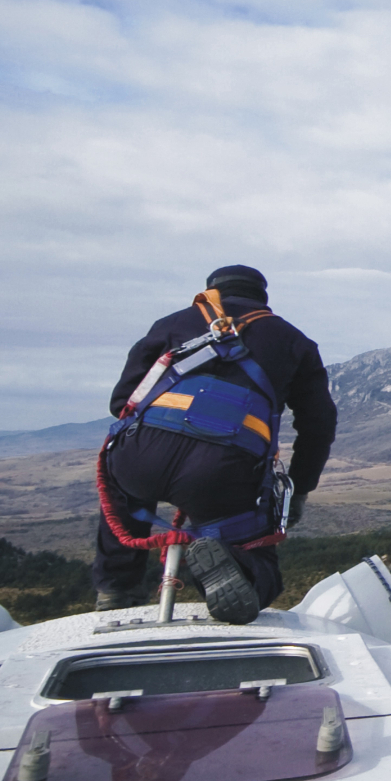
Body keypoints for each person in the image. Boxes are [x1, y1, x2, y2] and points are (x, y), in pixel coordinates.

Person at [93, 265, 337, 623]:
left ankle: (116, 589)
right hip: (221, 473)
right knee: (256, 548)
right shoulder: (293, 341)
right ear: (263, 299)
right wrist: (298, 490)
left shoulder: (171, 324)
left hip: (140, 456)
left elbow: (122, 402)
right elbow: (318, 425)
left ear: (211, 292)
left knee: (124, 495)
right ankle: (242, 572)